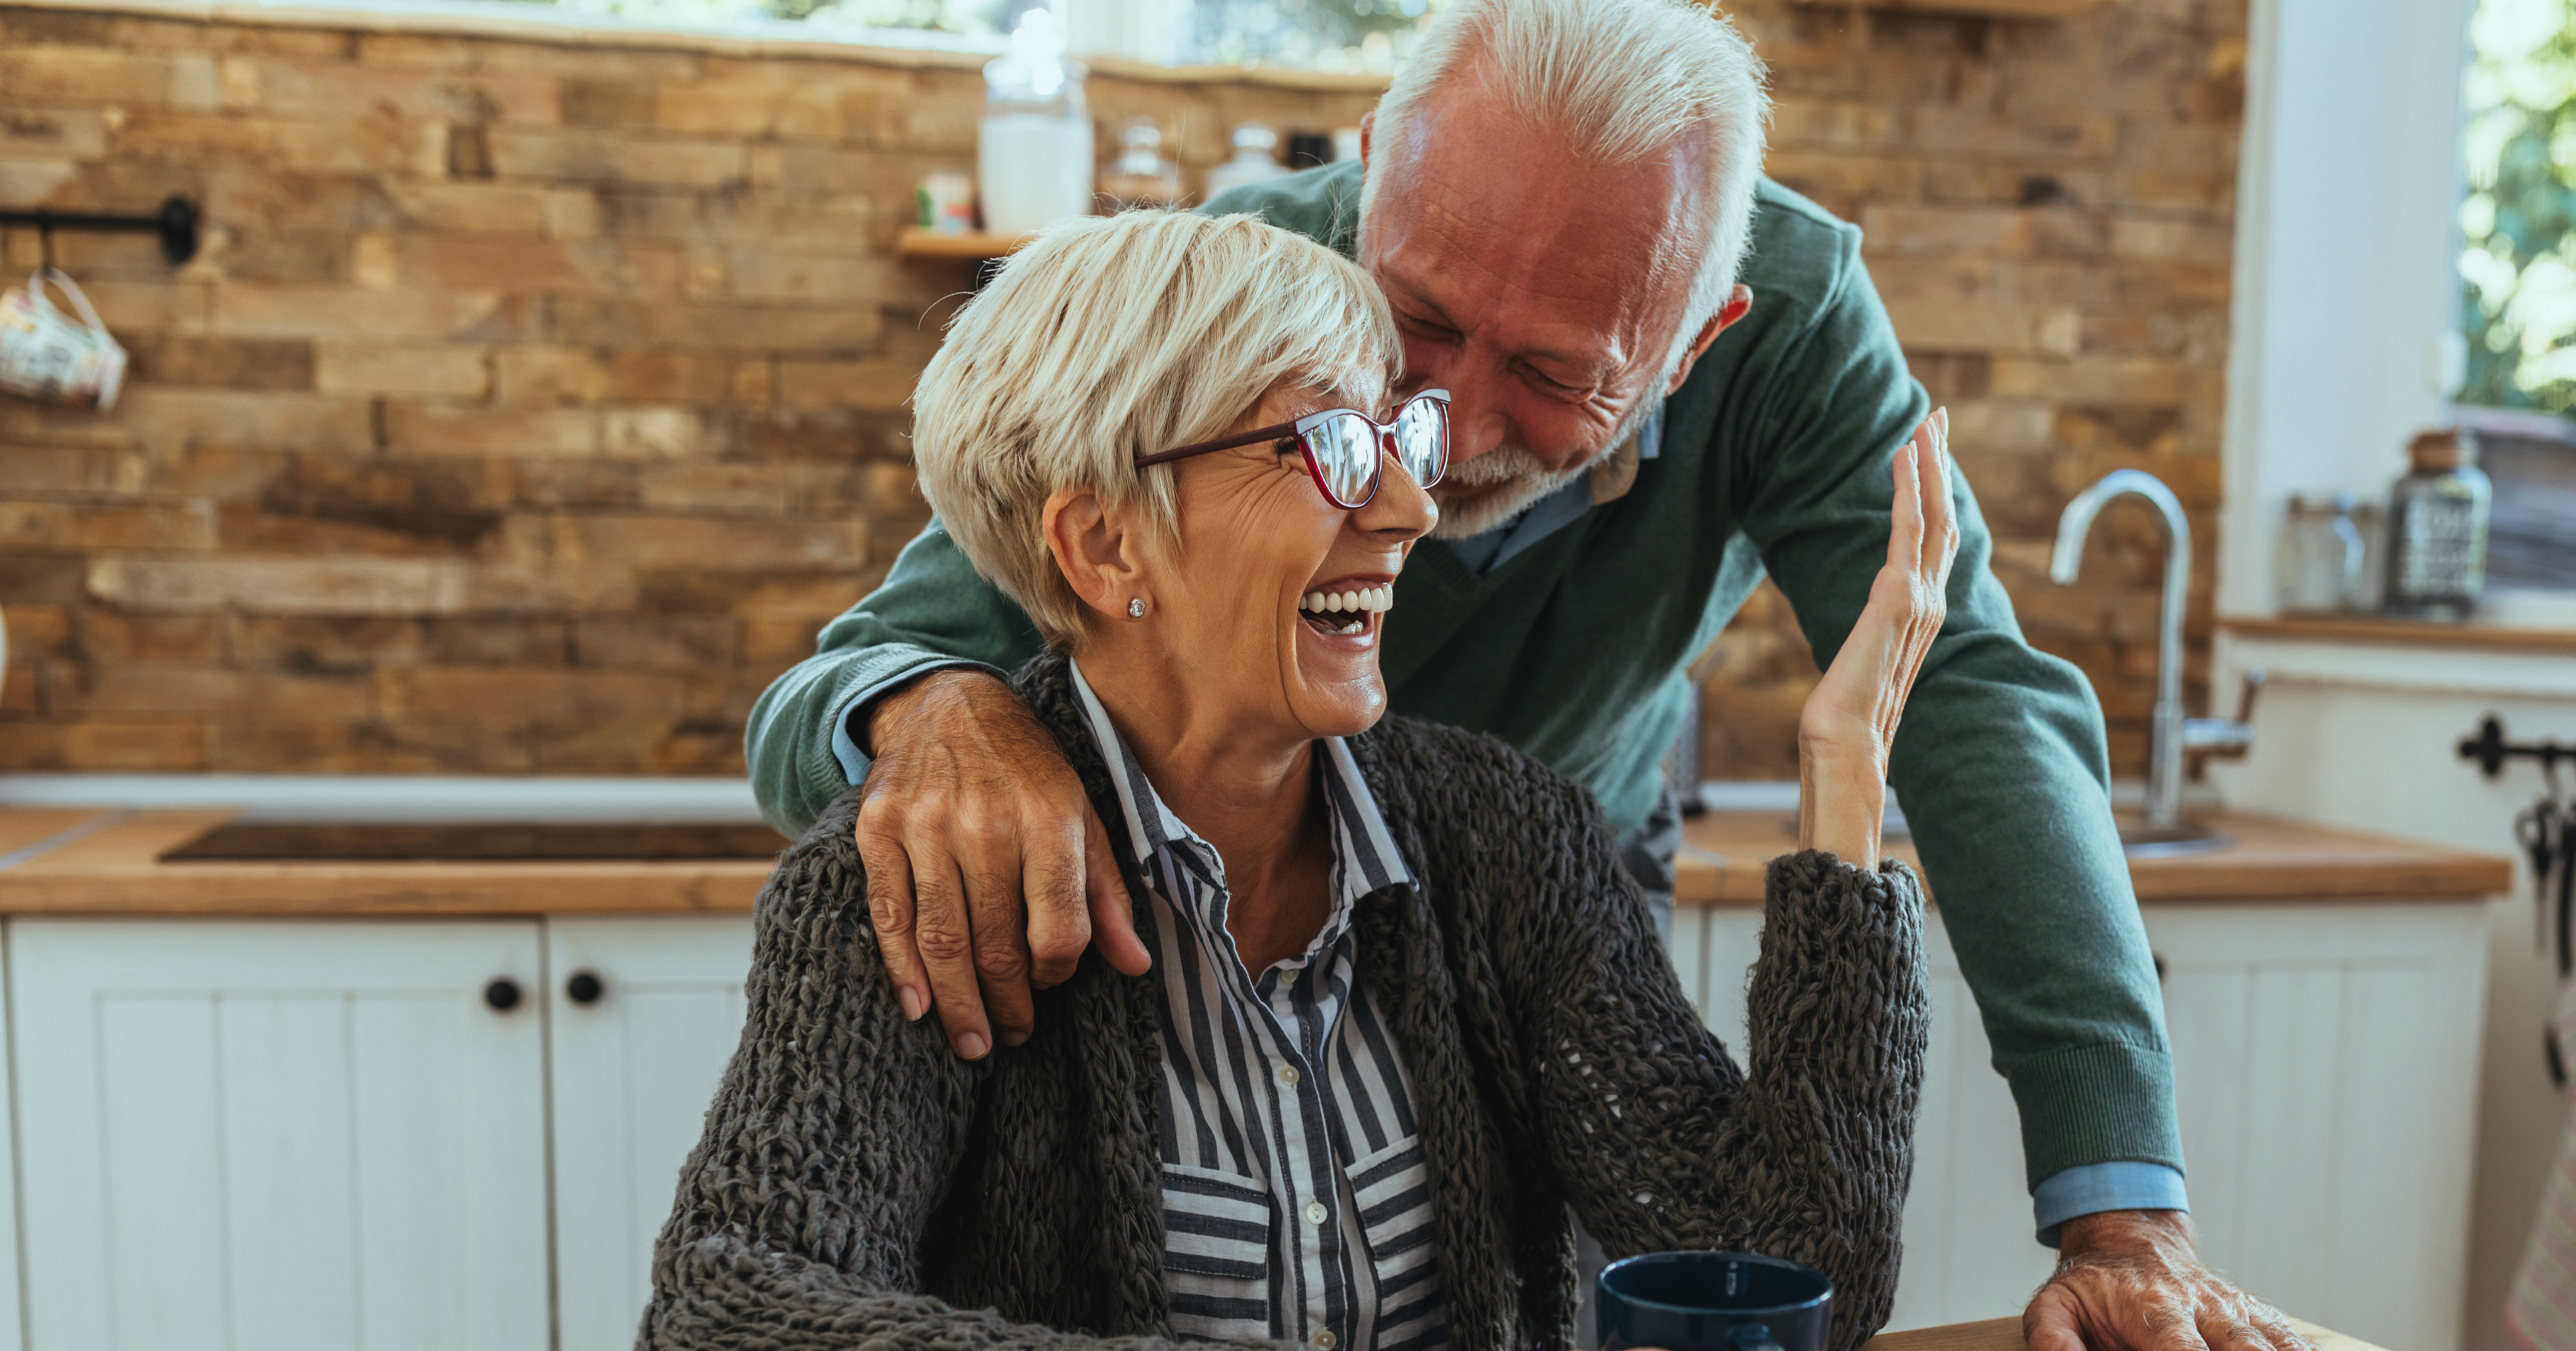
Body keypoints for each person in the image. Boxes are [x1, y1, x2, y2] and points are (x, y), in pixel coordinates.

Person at [745, 2, 2313, 1348]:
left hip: (1543, 898)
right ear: (1369, 170)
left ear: (1696, 345)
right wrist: (940, 712)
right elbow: (893, 648)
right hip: (1151, 907)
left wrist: (2119, 1208)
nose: (1440, 435)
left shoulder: (1790, 346)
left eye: (1558, 375)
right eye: (1415, 321)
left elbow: (1962, 694)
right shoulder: (1231, 298)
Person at [647, 209, 1943, 1351]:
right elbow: (727, 1311)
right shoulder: (914, 888)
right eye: (1327, 446)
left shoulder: (1507, 841)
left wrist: (1846, 782)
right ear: (1101, 545)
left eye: (1399, 435)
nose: (1407, 509)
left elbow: (1792, 1270)